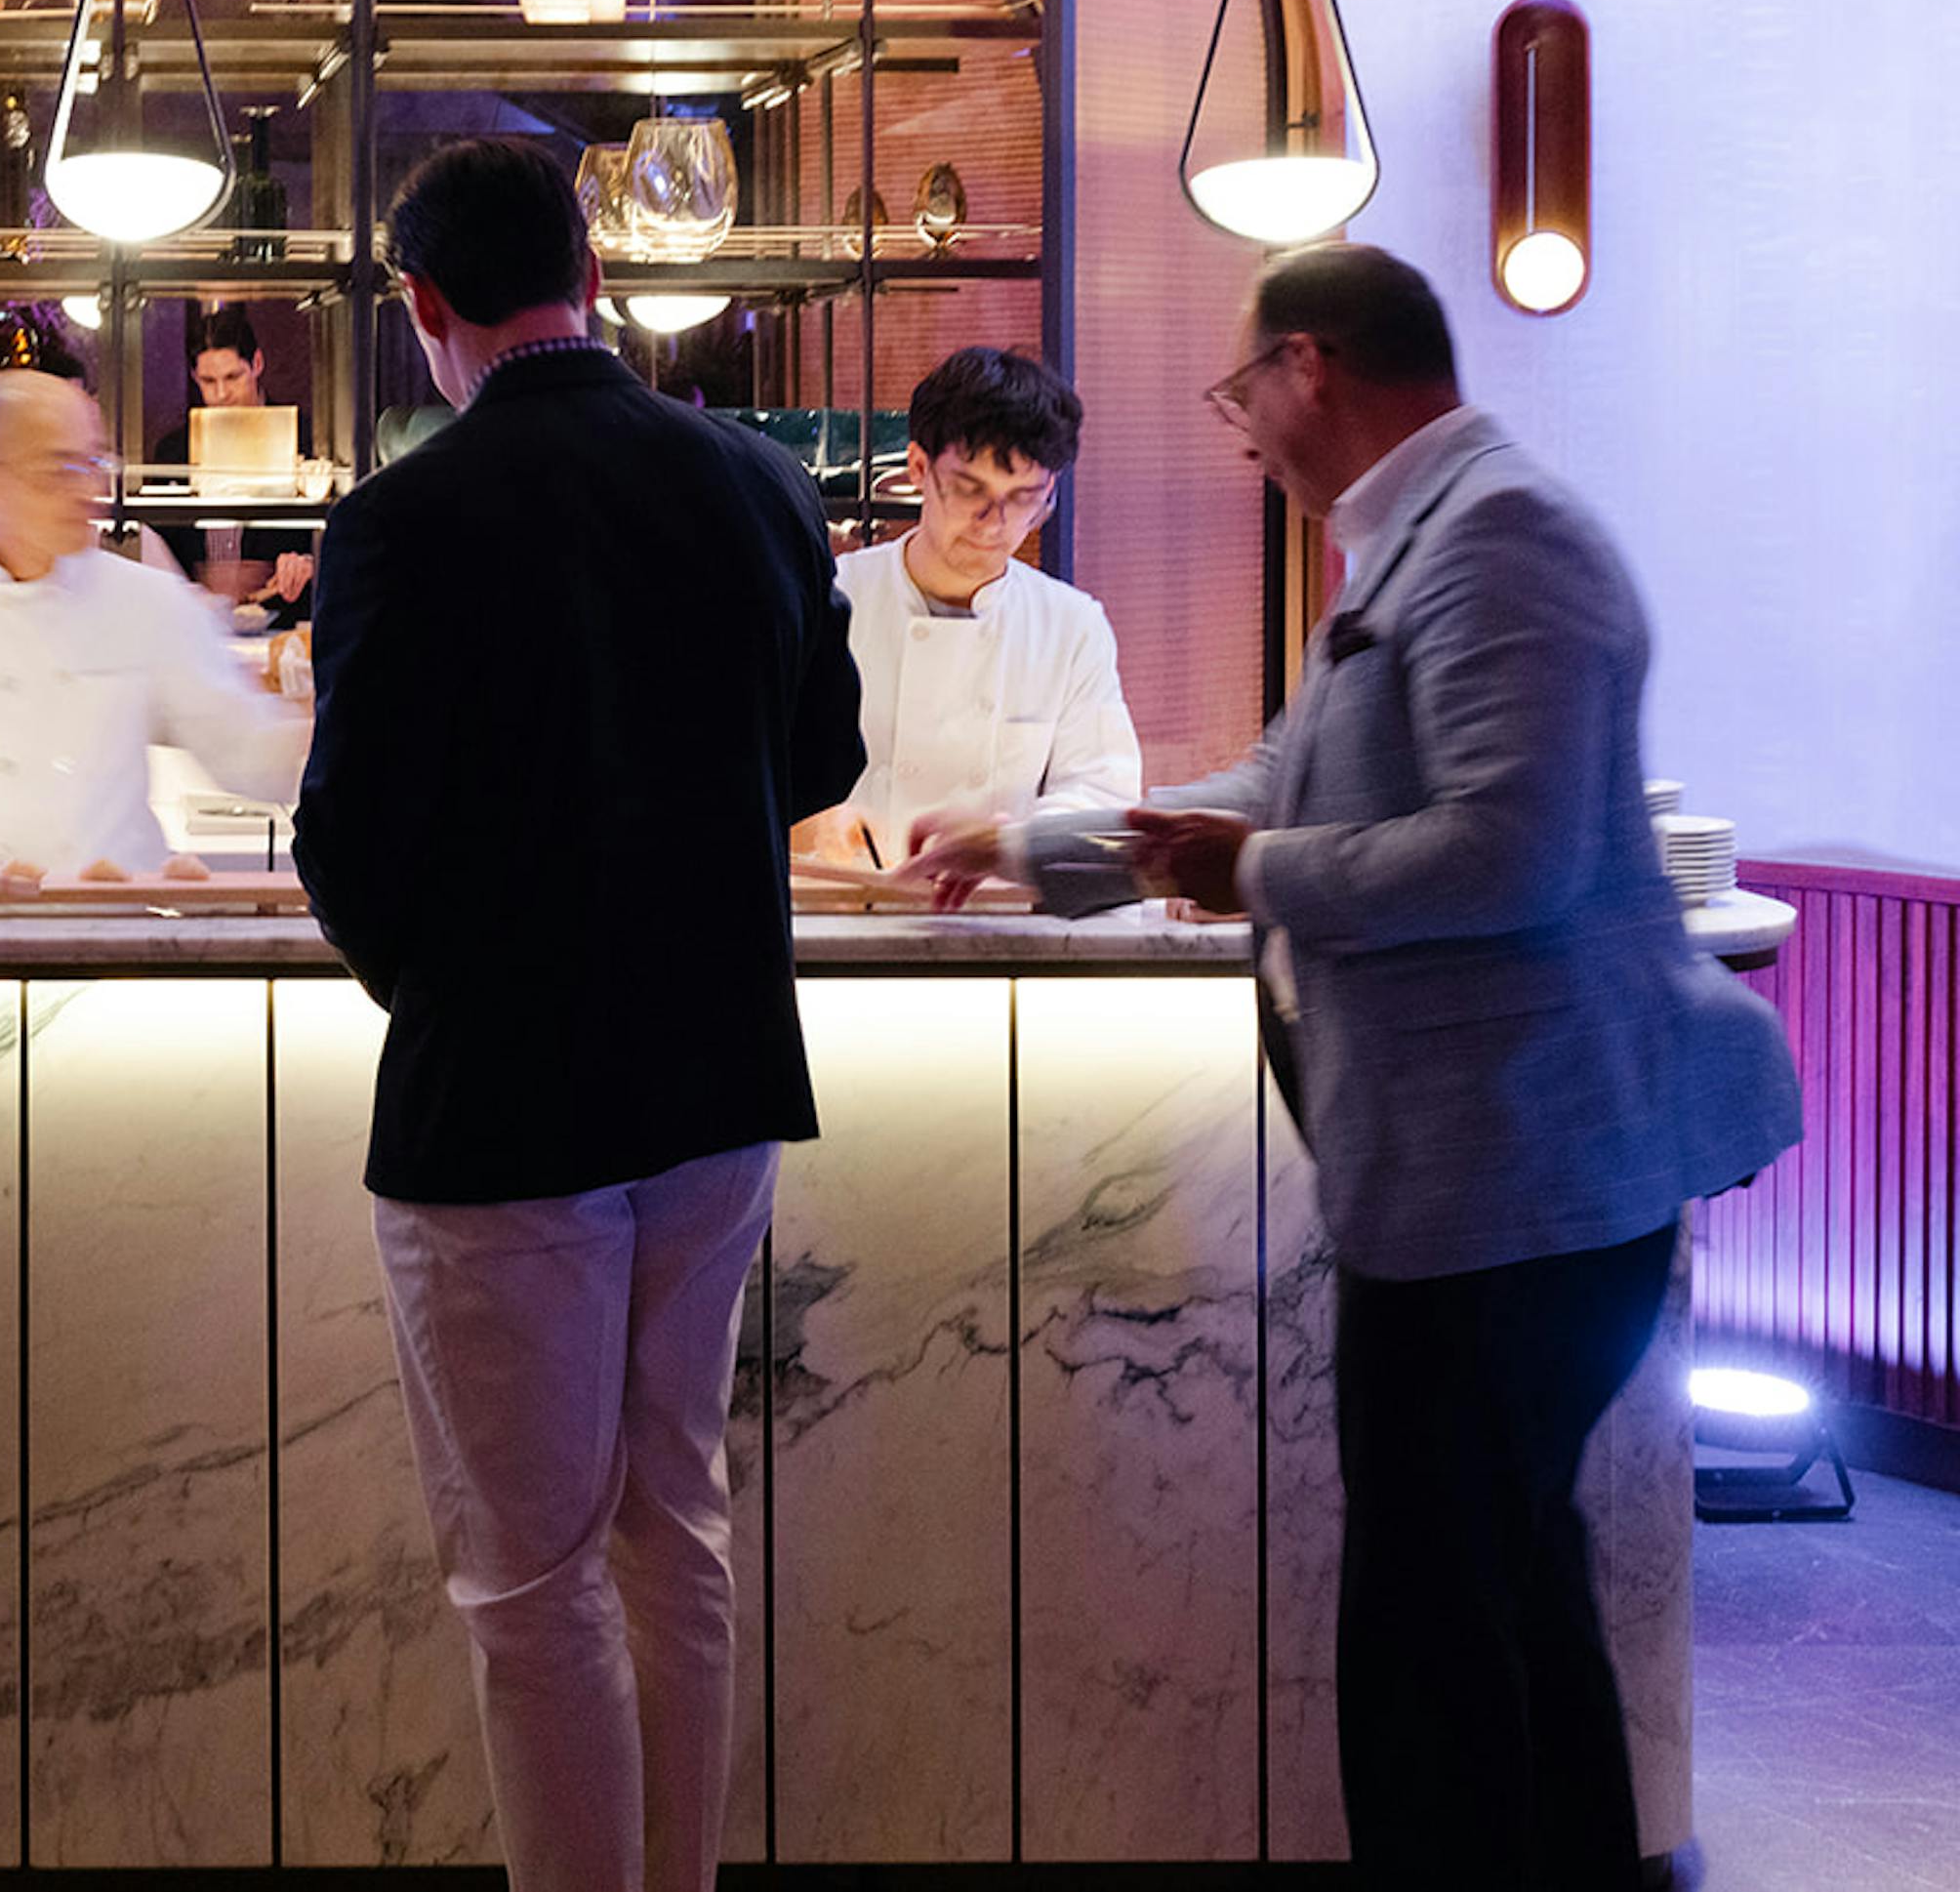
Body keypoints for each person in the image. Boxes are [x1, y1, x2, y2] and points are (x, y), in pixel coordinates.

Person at [905, 243, 1801, 1889]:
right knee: (1503, 1610)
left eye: (1242, 389)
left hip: (1521, 1184)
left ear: (1311, 366)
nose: (1239, 427)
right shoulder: (1415, 545)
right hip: (1474, 1189)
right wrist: (1051, 843)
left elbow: (1504, 855)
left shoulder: (1504, 541)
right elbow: (1281, 776)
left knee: (1435, 1645)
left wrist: (1245, 878)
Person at [293, 138, 864, 1892]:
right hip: (716, 1087)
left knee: (529, 1581)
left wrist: (436, 975)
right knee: (671, 1527)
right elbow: (826, 758)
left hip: (504, 1112)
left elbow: (349, 841)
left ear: (423, 312)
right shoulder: (762, 484)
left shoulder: (402, 518)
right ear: (595, 277)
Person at [0, 370, 306, 880]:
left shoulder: (148, 602)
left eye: (93, 463)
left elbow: (249, 751)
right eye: (58, 469)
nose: (89, 490)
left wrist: (349, 722)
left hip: (118, 934)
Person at [794, 345, 1138, 867]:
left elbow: (1102, 794)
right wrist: (816, 822)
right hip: (841, 911)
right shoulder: (830, 598)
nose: (995, 521)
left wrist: (1014, 839)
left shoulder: (1071, 626)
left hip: (996, 918)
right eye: (968, 488)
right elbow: (756, 764)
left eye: (1024, 497)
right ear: (918, 467)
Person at [144, 305, 314, 624]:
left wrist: (307, 562)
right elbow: (158, 547)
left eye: (233, 377)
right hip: (196, 625)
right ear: (194, 377)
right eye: (208, 381)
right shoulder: (173, 450)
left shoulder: (303, 437)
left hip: (283, 620)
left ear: (257, 364)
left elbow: (328, 533)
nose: (221, 393)